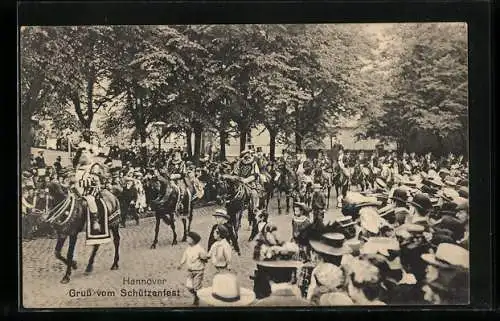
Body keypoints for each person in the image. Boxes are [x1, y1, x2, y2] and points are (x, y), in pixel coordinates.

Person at [71, 142, 109, 232]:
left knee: (90, 199)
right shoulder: (78, 166)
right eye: (82, 153)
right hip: (77, 188)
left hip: (91, 188)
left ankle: (95, 220)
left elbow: (94, 179)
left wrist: (79, 182)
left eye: (86, 153)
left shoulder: (94, 166)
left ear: (90, 154)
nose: (84, 155)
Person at [177, 231, 208, 306]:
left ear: (193, 240)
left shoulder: (199, 249)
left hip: (198, 271)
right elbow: (184, 257)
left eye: (188, 238)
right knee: (189, 286)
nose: (187, 239)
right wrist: (181, 264)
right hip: (190, 271)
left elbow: (205, 258)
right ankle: (197, 294)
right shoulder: (188, 249)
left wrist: (203, 258)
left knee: (196, 287)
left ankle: (197, 297)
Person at [232, 149, 261, 215]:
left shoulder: (253, 163)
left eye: (248, 156)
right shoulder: (239, 162)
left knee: (253, 193)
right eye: (245, 156)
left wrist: (246, 180)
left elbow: (255, 174)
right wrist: (237, 177)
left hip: (250, 182)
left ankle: (254, 208)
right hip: (239, 181)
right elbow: (235, 171)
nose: (247, 158)